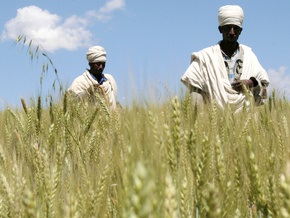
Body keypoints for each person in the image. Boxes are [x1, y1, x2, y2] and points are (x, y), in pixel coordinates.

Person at [181, 5, 270, 112]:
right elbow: (193, 84)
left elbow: (263, 83)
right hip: (213, 116)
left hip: (244, 116)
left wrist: (251, 82)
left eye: (236, 28)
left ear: (240, 31)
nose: (232, 32)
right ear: (220, 29)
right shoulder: (205, 57)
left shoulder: (249, 55)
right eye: (228, 28)